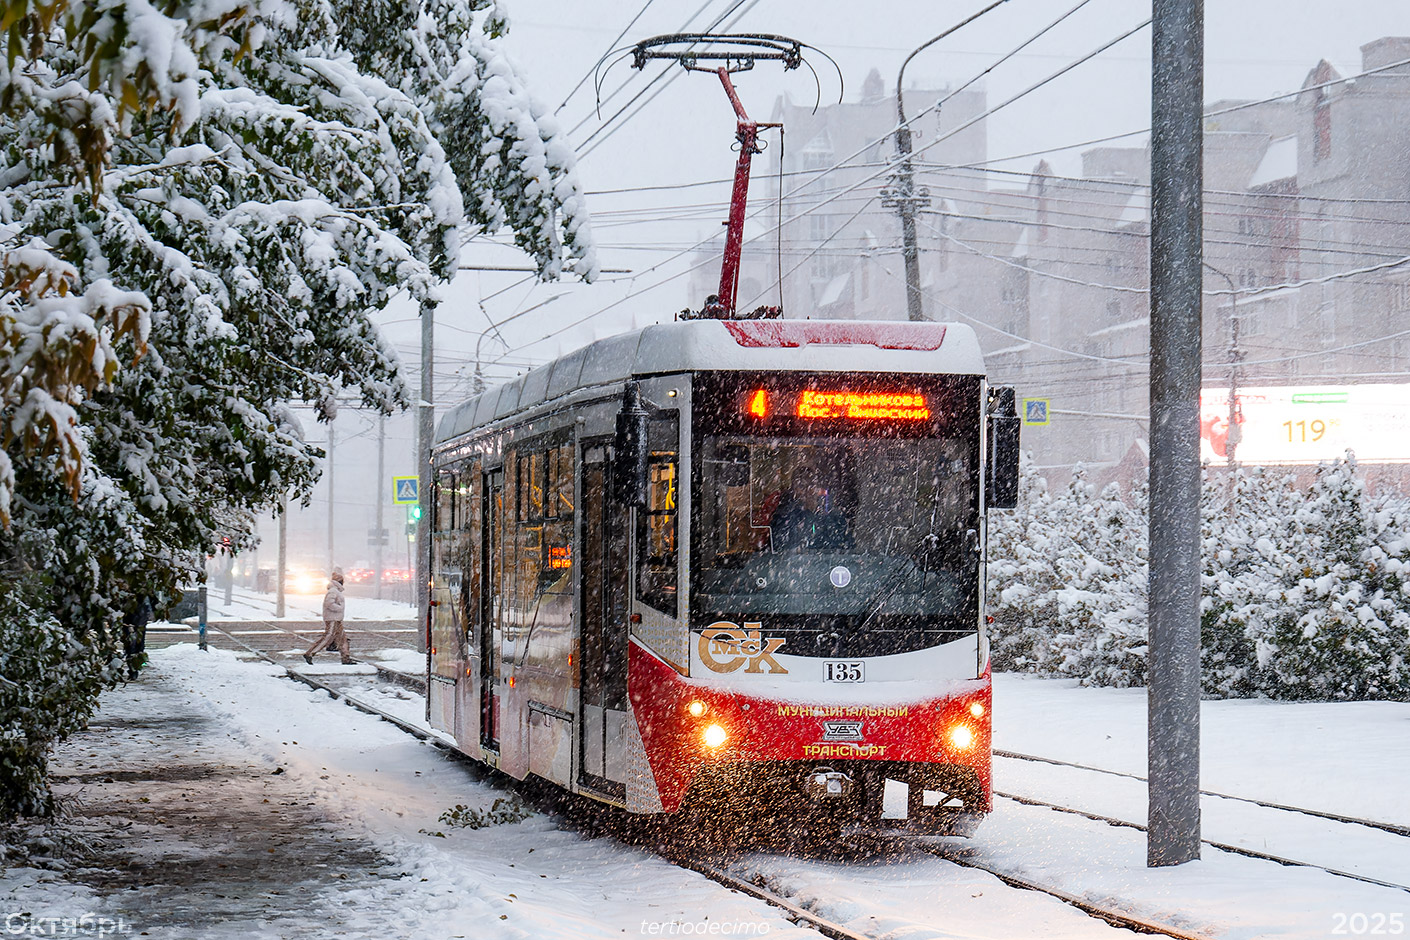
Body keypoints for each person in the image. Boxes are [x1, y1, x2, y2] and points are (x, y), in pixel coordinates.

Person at [304, 567, 352, 664]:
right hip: (333, 619)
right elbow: (329, 604)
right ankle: (310, 653)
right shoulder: (333, 591)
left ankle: (346, 658)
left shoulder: (335, 591)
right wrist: (340, 608)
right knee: (328, 637)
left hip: (336, 619)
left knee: (342, 639)